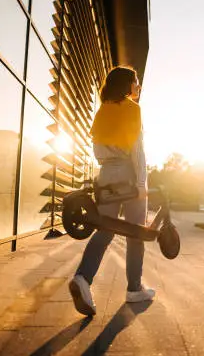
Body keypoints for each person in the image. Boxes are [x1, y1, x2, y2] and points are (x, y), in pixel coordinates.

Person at [69, 66, 155, 316]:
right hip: (129, 174)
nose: (138, 86)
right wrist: (141, 185)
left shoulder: (102, 111)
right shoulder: (133, 109)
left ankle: (82, 278)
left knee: (104, 230)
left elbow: (96, 151)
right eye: (136, 82)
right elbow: (138, 152)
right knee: (136, 233)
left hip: (106, 174)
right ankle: (134, 288)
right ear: (127, 85)